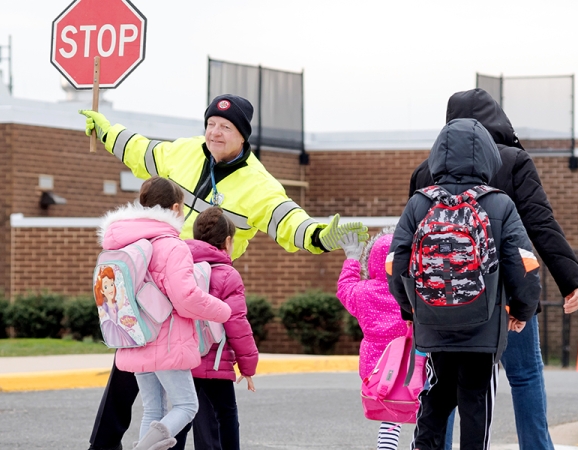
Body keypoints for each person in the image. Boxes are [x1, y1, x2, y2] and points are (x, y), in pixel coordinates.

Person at [80, 94, 368, 450]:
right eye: (211, 124)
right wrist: (105, 129)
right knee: (127, 375)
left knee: (193, 396)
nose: (214, 133)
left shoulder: (259, 185)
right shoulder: (183, 152)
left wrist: (321, 237)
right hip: (153, 288)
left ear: (243, 135)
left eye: (225, 127)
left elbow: (289, 222)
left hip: (197, 296)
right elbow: (141, 151)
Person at [409, 88, 578, 450]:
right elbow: (540, 222)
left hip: (438, 301)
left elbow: (413, 241)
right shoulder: (514, 160)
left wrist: (409, 303)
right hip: (506, 297)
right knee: (524, 377)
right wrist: (569, 280)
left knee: (439, 383)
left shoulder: (426, 170)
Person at [388, 118, 541, 450]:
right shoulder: (499, 203)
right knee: (475, 399)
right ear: (488, 156)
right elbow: (524, 264)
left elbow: (395, 261)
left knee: (438, 392)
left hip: (432, 316)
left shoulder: (420, 203)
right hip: (482, 322)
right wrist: (522, 308)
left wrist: (411, 307)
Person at [97, 176, 232, 450]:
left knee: (153, 411)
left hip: (135, 336)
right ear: (174, 208)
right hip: (167, 341)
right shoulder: (172, 245)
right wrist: (222, 311)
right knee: (186, 405)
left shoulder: (122, 243)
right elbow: (186, 298)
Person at [173, 207, 259, 450]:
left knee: (182, 415)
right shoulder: (228, 275)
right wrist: (248, 366)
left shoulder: (181, 270)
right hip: (216, 362)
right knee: (227, 416)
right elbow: (237, 324)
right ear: (228, 241)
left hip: (185, 359)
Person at [336, 227, 410, 450]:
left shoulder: (363, 292)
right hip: (410, 363)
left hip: (376, 367)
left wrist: (351, 259)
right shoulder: (409, 291)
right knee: (422, 411)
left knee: (391, 417)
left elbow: (344, 287)